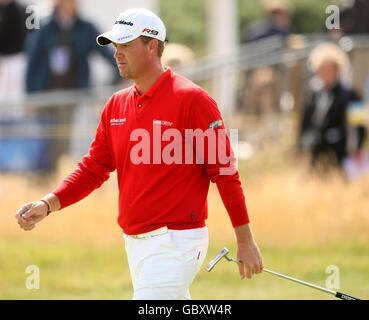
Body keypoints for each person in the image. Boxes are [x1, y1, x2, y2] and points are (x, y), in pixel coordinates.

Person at [15, 8, 263, 300]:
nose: (117, 53)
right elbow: (94, 168)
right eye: (116, 46)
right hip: (135, 242)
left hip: (176, 240)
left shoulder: (193, 100)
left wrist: (244, 239)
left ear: (152, 46)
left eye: (126, 45)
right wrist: (47, 204)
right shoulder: (116, 105)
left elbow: (225, 174)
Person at [25, 0, 120, 171]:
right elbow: (33, 63)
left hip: (71, 95)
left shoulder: (86, 28)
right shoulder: (44, 28)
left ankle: (53, 175)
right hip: (45, 94)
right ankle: (40, 176)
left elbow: (106, 54)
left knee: (62, 138)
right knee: (43, 138)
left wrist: (120, 72)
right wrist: (30, 96)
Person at [297, 43, 367, 174]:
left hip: (341, 154)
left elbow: (359, 125)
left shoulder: (351, 95)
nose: (325, 73)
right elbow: (305, 122)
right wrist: (300, 147)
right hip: (317, 153)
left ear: (337, 70)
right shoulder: (313, 95)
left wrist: (357, 148)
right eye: (322, 69)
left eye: (328, 69)